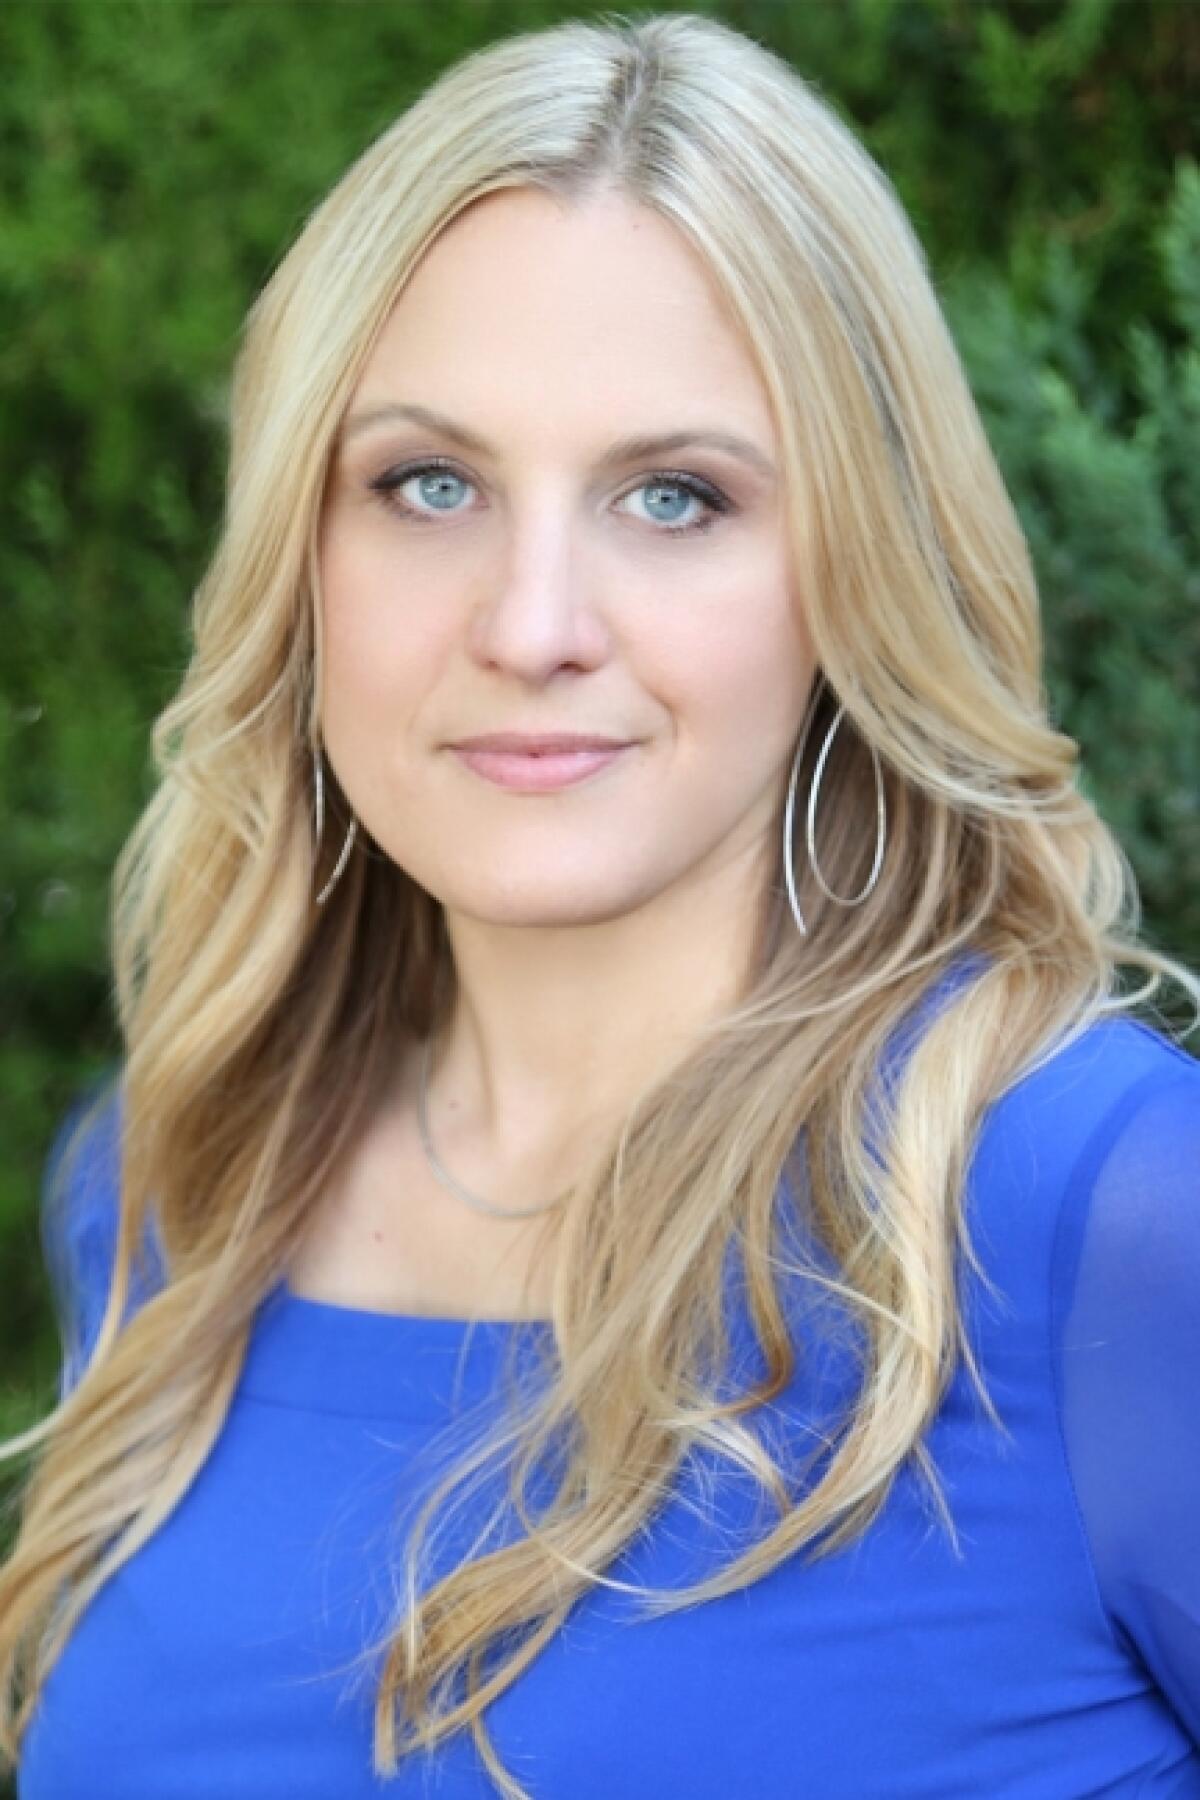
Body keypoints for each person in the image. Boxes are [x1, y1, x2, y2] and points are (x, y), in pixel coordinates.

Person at [3, 11, 1198, 1798]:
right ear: (297, 555)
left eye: (673, 496)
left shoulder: (1113, 1223)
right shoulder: (174, 1186)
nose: (532, 619)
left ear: (855, 574)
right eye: (429, 484)